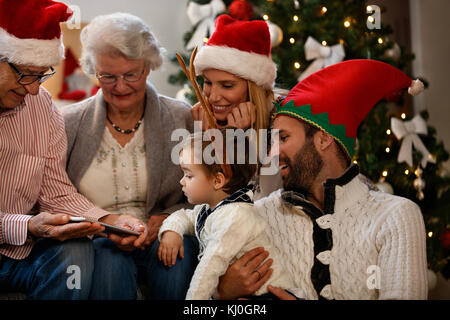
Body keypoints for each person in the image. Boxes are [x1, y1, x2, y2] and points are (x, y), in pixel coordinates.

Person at [216, 59, 428, 300]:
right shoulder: (260, 215)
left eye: (283, 138)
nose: (273, 153)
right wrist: (223, 293)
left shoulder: (395, 216)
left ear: (323, 139)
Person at [62, 12, 197, 299]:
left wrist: (167, 219)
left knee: (177, 261)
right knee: (109, 261)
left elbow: (203, 192)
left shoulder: (180, 118)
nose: (120, 86)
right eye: (108, 76)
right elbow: (55, 194)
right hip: (97, 239)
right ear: (93, 70)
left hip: (164, 234)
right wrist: (101, 226)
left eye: (130, 74)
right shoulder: (69, 122)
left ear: (148, 67)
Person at [0, 0, 122, 300]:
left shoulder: (41, 106)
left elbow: (56, 192)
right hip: (21, 235)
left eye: (41, 75)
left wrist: (110, 222)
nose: (32, 89)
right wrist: (28, 225)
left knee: (76, 250)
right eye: (25, 73)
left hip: (22, 253)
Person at [158, 129, 292, 299]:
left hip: (270, 293)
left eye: (189, 175)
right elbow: (184, 216)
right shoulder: (211, 209)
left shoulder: (235, 216)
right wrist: (172, 231)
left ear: (217, 181)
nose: (181, 181)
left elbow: (210, 267)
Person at [191, 14, 283, 200]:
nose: (213, 96)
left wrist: (242, 141)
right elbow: (201, 200)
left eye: (227, 86)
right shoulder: (201, 118)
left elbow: (262, 200)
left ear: (253, 88)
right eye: (208, 83)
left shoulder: (281, 122)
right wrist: (209, 140)